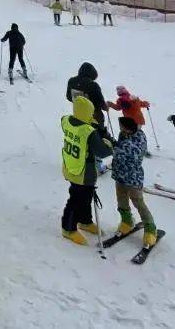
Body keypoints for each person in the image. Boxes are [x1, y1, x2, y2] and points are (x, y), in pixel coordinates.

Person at [60, 96, 113, 245]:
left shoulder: (67, 121)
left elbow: (66, 120)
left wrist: (89, 123)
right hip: (83, 171)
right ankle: (68, 228)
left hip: (71, 166)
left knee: (86, 196)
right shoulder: (88, 132)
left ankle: (85, 221)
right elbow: (103, 152)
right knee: (76, 199)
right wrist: (108, 142)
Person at [111, 116, 159, 248]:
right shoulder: (124, 134)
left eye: (121, 126)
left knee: (138, 201)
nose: (120, 128)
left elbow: (129, 153)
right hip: (120, 174)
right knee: (121, 198)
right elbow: (119, 146)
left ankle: (150, 227)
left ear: (128, 128)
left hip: (133, 177)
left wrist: (112, 147)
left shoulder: (139, 139)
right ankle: (126, 220)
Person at [65, 62, 107, 132]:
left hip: (78, 114)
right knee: (98, 134)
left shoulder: (71, 81)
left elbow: (69, 97)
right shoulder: (93, 85)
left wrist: (79, 101)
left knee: (82, 133)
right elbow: (101, 103)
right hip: (94, 116)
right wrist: (105, 107)